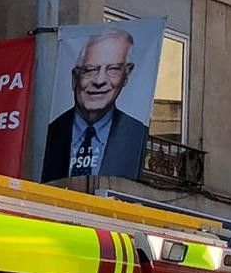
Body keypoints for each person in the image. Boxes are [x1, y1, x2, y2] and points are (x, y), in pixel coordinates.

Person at [40, 28, 149, 181]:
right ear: (74, 77)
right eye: (90, 70)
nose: (99, 81)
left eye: (113, 69)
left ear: (126, 76)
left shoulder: (137, 134)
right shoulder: (48, 135)